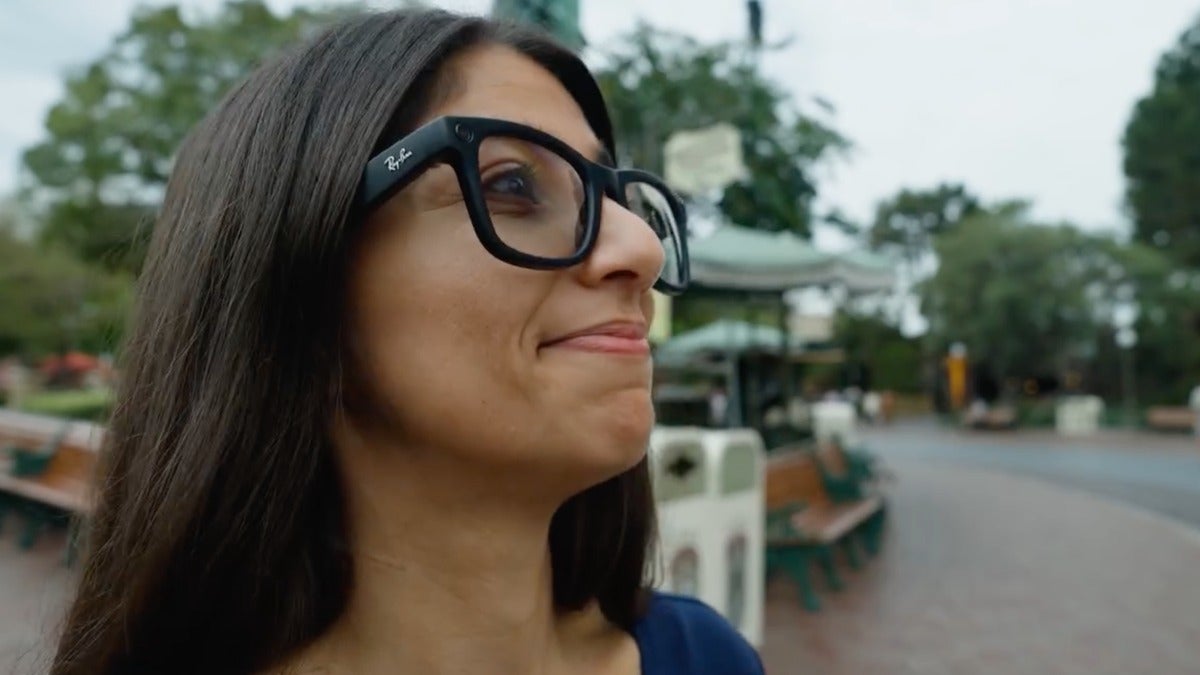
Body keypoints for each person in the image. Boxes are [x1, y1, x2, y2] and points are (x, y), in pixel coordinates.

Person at [49, 9, 763, 675]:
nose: (639, 245)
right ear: (299, 277)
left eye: (622, 201)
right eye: (511, 182)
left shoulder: (704, 656)